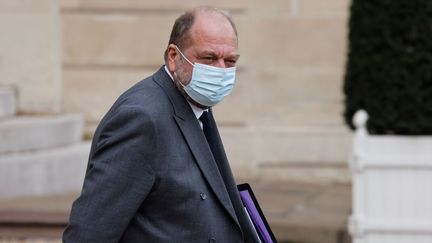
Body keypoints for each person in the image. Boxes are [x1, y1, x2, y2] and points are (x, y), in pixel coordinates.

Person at [63, 6, 260, 243]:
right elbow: (89, 232)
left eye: (230, 61)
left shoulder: (193, 102)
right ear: (174, 57)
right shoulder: (141, 118)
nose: (221, 70)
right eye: (209, 58)